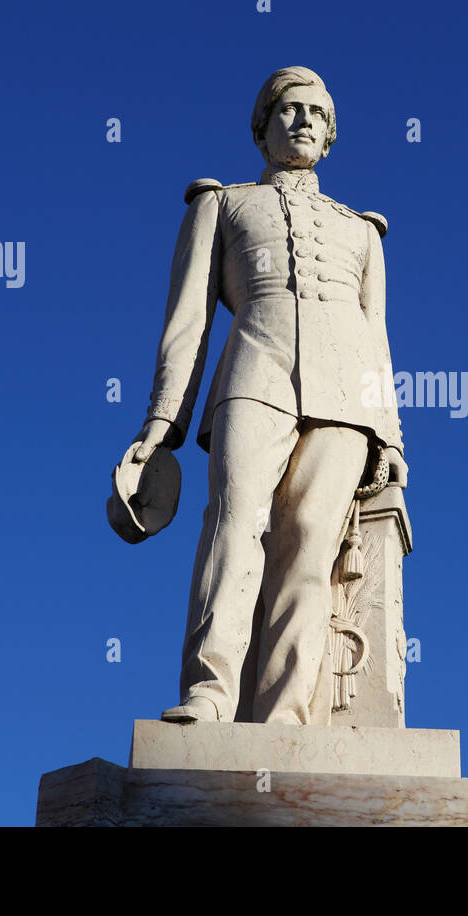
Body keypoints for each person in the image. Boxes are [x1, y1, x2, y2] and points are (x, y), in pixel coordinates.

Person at [126, 66, 407, 725]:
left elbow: (377, 333)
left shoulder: (362, 231)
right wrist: (161, 424)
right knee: (235, 522)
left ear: (331, 135)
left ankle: (287, 713)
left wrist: (391, 434)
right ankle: (212, 691)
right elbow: (188, 322)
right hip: (254, 373)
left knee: (310, 542)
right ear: (263, 129)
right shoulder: (220, 206)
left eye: (316, 112)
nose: (303, 120)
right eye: (289, 110)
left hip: (345, 398)